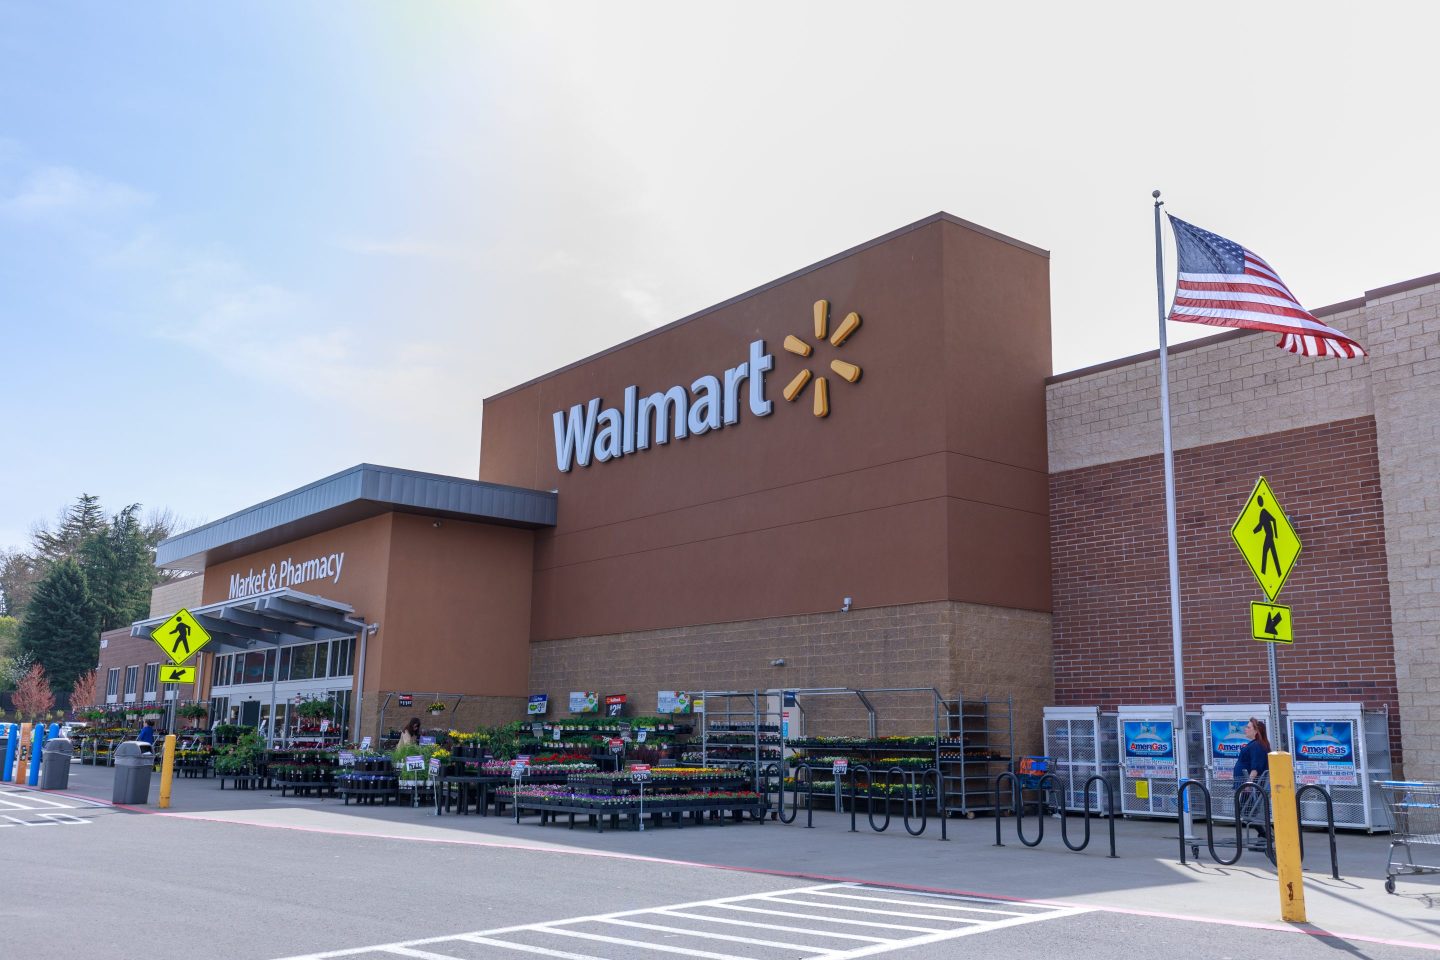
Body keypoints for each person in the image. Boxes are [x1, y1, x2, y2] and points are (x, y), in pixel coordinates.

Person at [1234, 717, 1271, 840]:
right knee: (1248, 812)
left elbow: (1256, 767)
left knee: (1246, 812)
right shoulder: (1255, 744)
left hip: (1251, 787)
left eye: (1248, 727)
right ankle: (1263, 835)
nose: (1245, 729)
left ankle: (1265, 835)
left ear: (1256, 731)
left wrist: (1249, 784)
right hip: (1249, 786)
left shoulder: (1257, 745)